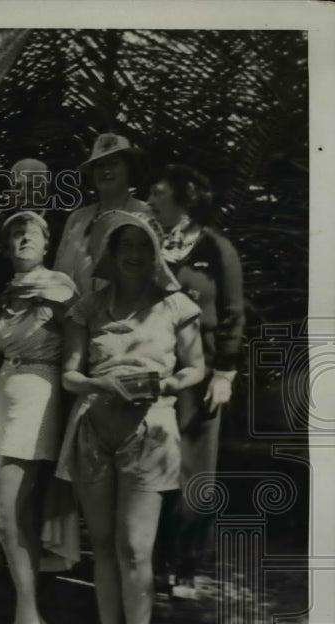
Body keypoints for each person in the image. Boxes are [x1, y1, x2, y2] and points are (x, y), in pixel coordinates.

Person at [56, 210, 205, 624]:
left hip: (151, 431)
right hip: (94, 431)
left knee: (137, 549)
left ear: (156, 253)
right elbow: (70, 375)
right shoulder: (88, 306)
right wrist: (102, 384)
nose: (135, 256)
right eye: (125, 247)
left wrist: (166, 383)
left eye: (143, 246)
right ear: (112, 254)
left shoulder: (175, 305)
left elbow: (196, 367)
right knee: (102, 546)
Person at [0, 211, 78, 624]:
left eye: (31, 234)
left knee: (3, 514)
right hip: (8, 393)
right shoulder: (7, 292)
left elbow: (77, 334)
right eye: (16, 234)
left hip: (39, 393)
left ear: (46, 243)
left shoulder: (59, 285)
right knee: (13, 518)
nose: (23, 239)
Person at [148, 165, 245, 597]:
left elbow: (233, 314)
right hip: (157, 367)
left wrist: (225, 372)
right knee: (155, 463)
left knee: (195, 472)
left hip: (201, 372)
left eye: (158, 192)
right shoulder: (150, 246)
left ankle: (186, 564)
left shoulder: (216, 248)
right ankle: (155, 564)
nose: (151, 200)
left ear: (184, 198)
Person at [53, 133, 154, 298]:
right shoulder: (77, 218)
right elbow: (58, 274)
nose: (106, 171)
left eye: (113, 164)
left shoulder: (146, 214)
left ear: (129, 168)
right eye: (99, 165)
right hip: (74, 310)